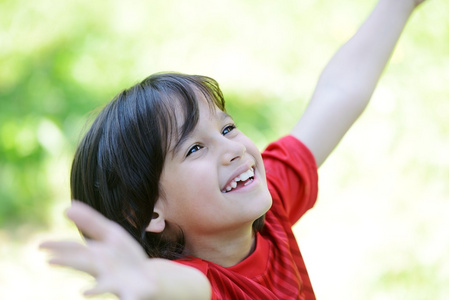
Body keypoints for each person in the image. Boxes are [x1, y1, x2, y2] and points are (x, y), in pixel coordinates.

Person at [40, 0, 429, 299]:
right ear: (147, 212)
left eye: (227, 127)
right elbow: (180, 286)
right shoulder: (203, 282)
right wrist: (145, 277)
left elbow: (338, 94)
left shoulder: (268, 206)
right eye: (195, 149)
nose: (232, 149)